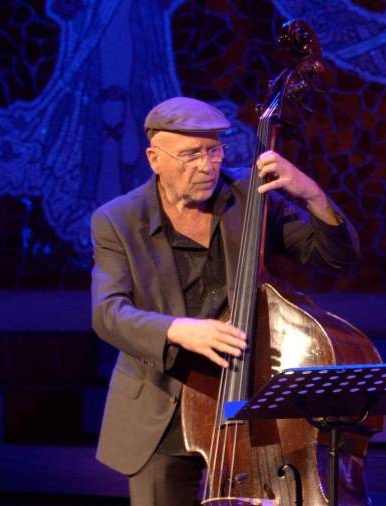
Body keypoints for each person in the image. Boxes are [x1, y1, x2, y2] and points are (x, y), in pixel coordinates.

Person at [91, 96, 360, 505]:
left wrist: (312, 196)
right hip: (162, 404)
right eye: (190, 155)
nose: (206, 165)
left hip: (245, 401)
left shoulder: (249, 197)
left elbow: (336, 257)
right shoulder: (117, 220)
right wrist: (179, 330)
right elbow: (108, 313)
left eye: (214, 151)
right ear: (154, 158)